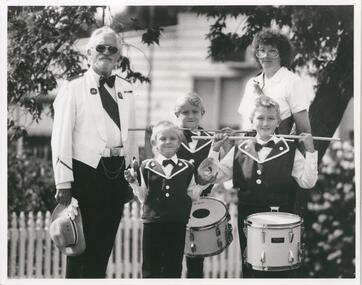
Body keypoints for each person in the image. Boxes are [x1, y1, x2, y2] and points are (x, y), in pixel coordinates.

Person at [51, 26, 138, 278]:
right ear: (89, 52)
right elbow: (60, 137)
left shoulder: (127, 88)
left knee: (102, 249)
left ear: (118, 56)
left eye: (113, 49)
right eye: (101, 47)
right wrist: (63, 180)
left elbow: (132, 134)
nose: (106, 53)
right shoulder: (73, 87)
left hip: (116, 173)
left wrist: (132, 175)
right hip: (84, 174)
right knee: (79, 247)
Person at [209, 96, 318, 278]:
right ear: (252, 121)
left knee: (279, 271)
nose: (265, 123)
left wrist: (311, 151)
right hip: (248, 220)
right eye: (260, 118)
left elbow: (308, 182)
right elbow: (213, 177)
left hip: (281, 220)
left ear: (278, 122)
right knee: (251, 270)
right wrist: (214, 149)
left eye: (270, 118)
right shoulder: (240, 148)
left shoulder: (289, 149)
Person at [124, 121, 207, 278]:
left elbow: (192, 195)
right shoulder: (146, 166)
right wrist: (133, 182)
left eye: (172, 138)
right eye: (163, 138)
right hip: (152, 223)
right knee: (150, 267)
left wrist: (203, 182)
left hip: (177, 223)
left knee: (173, 266)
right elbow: (142, 196)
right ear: (154, 142)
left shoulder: (188, 167)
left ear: (179, 142)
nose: (168, 142)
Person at [238, 28, 313, 135]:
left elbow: (304, 130)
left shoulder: (291, 81)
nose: (265, 56)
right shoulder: (251, 83)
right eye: (262, 50)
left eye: (272, 51)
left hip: (278, 148)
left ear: (282, 54)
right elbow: (245, 124)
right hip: (250, 148)